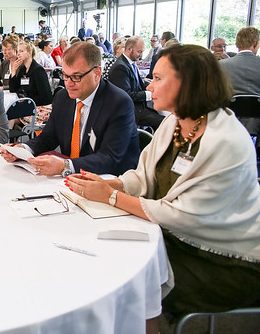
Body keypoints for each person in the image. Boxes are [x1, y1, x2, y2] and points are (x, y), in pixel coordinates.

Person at [66, 44, 260, 319]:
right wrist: (114, 185)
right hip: (174, 236)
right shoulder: (174, 123)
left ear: (187, 84)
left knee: (131, 277)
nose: (149, 86)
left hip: (223, 258)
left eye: (158, 78)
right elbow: (143, 175)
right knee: (106, 254)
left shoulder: (226, 141)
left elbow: (184, 216)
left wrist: (110, 197)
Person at [1, 42, 140, 176]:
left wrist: (65, 166)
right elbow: (49, 137)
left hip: (110, 179)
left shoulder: (118, 103)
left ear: (97, 73)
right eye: (65, 76)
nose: (68, 83)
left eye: (76, 77)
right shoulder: (63, 97)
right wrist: (23, 149)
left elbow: (109, 157)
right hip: (73, 178)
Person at [109, 36, 165, 129]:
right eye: (139, 52)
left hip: (139, 107)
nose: (141, 55)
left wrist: (156, 87)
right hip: (130, 111)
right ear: (129, 49)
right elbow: (127, 96)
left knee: (166, 118)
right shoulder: (120, 67)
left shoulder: (130, 64)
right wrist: (149, 94)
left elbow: (141, 84)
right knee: (165, 122)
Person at [219, 26, 260, 134]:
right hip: (256, 125)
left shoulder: (220, 65)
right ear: (255, 43)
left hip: (227, 122)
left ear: (237, 44)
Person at [9, 41, 53, 106]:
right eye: (17, 51)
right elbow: (13, 89)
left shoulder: (38, 70)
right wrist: (13, 71)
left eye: (21, 51)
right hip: (27, 104)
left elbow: (45, 97)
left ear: (30, 53)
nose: (18, 54)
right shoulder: (23, 69)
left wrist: (26, 101)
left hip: (39, 105)